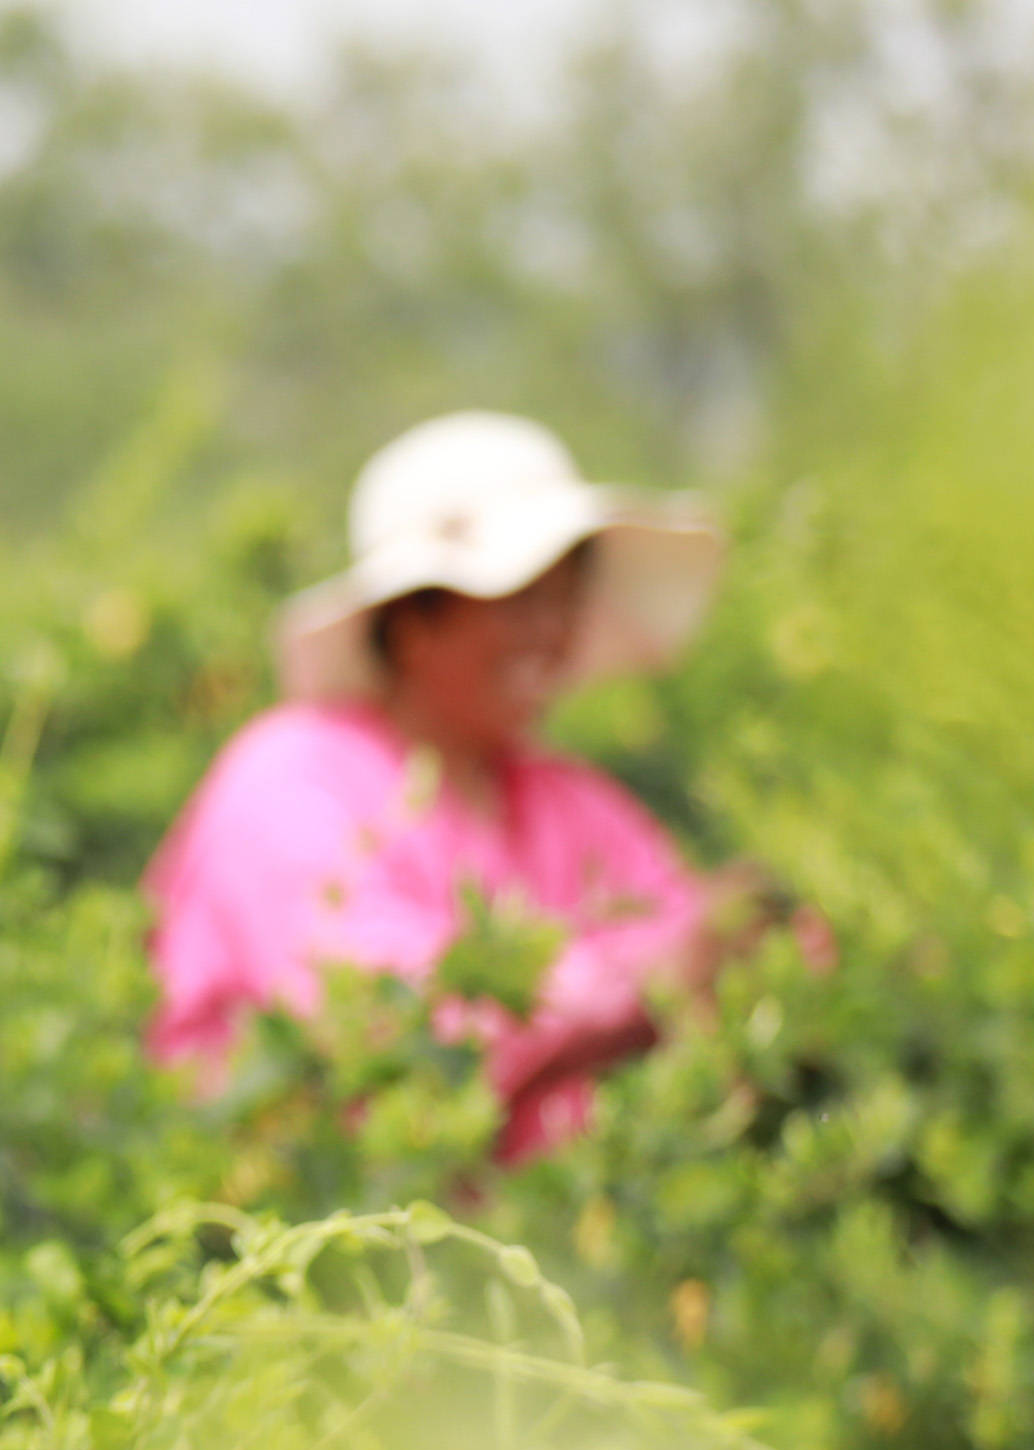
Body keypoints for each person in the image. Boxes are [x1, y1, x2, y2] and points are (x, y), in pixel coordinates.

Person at [143, 411, 750, 1160]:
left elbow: (693, 939)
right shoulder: (291, 775)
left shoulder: (569, 801)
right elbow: (390, 1032)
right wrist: (645, 982)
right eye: (522, 597)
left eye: (565, 598)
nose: (551, 633)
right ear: (412, 621)